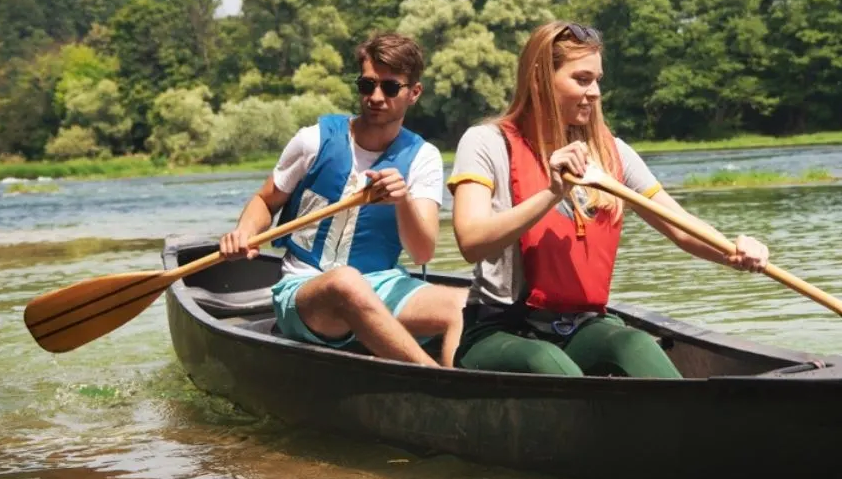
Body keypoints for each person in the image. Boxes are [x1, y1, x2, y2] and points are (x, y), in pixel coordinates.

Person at [447, 20, 770, 378]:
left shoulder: (612, 153)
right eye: (582, 79)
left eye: (598, 79)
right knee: (551, 365)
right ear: (540, 80)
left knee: (635, 344)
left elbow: (680, 228)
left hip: (580, 326)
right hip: (499, 329)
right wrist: (552, 193)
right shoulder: (486, 143)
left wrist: (733, 250)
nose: (596, 92)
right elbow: (471, 242)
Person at [219, 33, 465, 368]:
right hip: (305, 290)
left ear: (414, 93)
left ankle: (464, 387)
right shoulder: (313, 140)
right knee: (346, 281)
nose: (376, 97)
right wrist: (244, 233)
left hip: (382, 284)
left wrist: (402, 200)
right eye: (367, 85)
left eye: (390, 88)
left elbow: (422, 252)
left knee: (464, 306)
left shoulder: (424, 157)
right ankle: (435, 381)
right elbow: (265, 202)